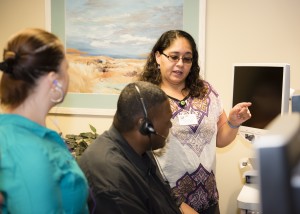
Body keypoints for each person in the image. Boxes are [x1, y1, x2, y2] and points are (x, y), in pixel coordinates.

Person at [139, 30, 252, 214]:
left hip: (208, 200)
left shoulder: (206, 92)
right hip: (167, 204)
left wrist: (232, 123)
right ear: (158, 57)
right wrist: (178, 206)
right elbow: (139, 159)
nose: (180, 64)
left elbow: (220, 140)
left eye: (187, 58)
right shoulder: (146, 98)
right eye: (174, 57)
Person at [0, 28, 88, 213]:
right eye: (66, 70)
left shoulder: (25, 134)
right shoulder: (28, 151)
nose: (68, 77)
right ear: (53, 80)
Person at [79, 81, 194, 213]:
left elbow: (163, 194)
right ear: (145, 126)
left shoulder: (138, 148)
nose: (170, 126)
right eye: (167, 120)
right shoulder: (113, 183)